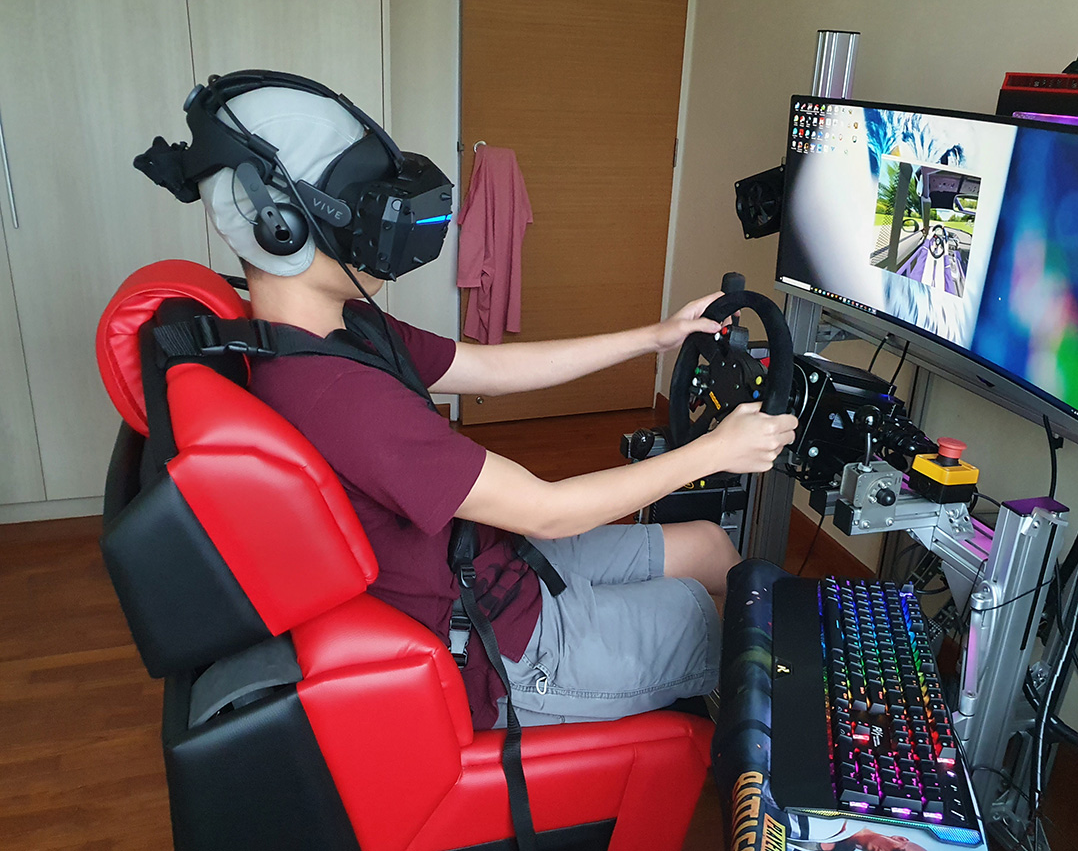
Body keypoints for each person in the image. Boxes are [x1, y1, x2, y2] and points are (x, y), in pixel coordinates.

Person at [197, 85, 798, 731]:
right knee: (719, 621)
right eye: (360, 203)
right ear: (279, 228)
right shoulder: (338, 399)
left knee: (710, 547)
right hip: (499, 644)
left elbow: (484, 365)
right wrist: (713, 452)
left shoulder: (344, 332)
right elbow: (549, 508)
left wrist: (654, 336)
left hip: (490, 562)